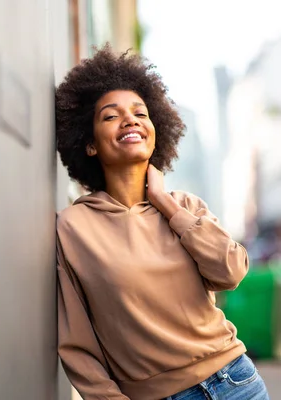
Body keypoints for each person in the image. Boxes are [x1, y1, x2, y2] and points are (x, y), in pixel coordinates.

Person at [54, 44, 270, 400]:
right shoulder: (73, 227)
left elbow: (231, 272)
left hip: (236, 382)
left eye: (140, 112)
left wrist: (167, 205)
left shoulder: (185, 206)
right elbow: (76, 343)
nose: (131, 120)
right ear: (89, 144)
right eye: (111, 116)